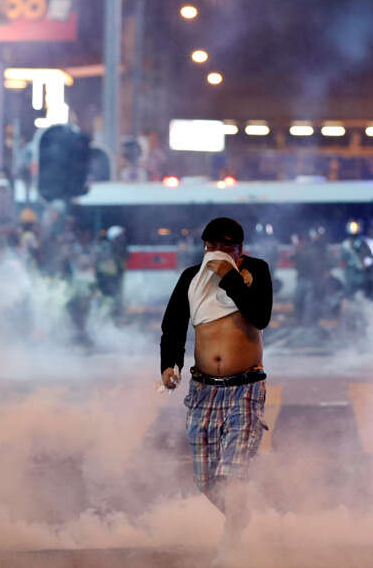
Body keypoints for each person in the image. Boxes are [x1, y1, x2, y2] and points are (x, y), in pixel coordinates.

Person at [159, 217, 272, 565]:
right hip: (204, 389)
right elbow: (173, 326)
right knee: (206, 479)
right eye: (213, 246)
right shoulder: (191, 279)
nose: (218, 252)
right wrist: (170, 365)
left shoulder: (255, 272)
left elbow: (261, 315)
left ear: (240, 250)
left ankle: (233, 544)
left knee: (232, 472)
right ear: (204, 246)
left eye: (227, 246)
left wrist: (229, 278)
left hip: (245, 388)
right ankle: (238, 517)